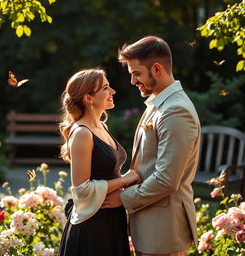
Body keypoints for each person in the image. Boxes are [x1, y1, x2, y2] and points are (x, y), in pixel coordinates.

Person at [102, 36, 201, 256]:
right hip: (151, 229)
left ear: (156, 69)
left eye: (136, 74)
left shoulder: (176, 111)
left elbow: (167, 179)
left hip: (163, 234)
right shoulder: (159, 104)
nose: (132, 81)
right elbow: (146, 166)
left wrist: (122, 198)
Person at [57, 68, 141, 256]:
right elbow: (82, 190)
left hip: (112, 217)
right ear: (89, 98)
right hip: (93, 226)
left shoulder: (101, 126)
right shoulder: (82, 133)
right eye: (105, 88)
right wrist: (125, 180)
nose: (112, 92)